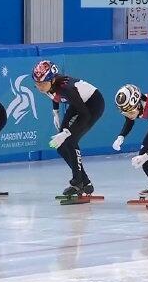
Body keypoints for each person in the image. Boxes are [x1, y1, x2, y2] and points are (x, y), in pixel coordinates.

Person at [32, 60, 104, 196]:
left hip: (93, 104)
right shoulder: (50, 84)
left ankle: (78, 181)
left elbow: (85, 115)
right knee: (60, 146)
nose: (39, 87)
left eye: (42, 83)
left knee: (70, 140)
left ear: (52, 80)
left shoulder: (67, 89)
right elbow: (53, 95)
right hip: (77, 104)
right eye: (37, 83)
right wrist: (56, 113)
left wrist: (67, 133)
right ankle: (85, 182)